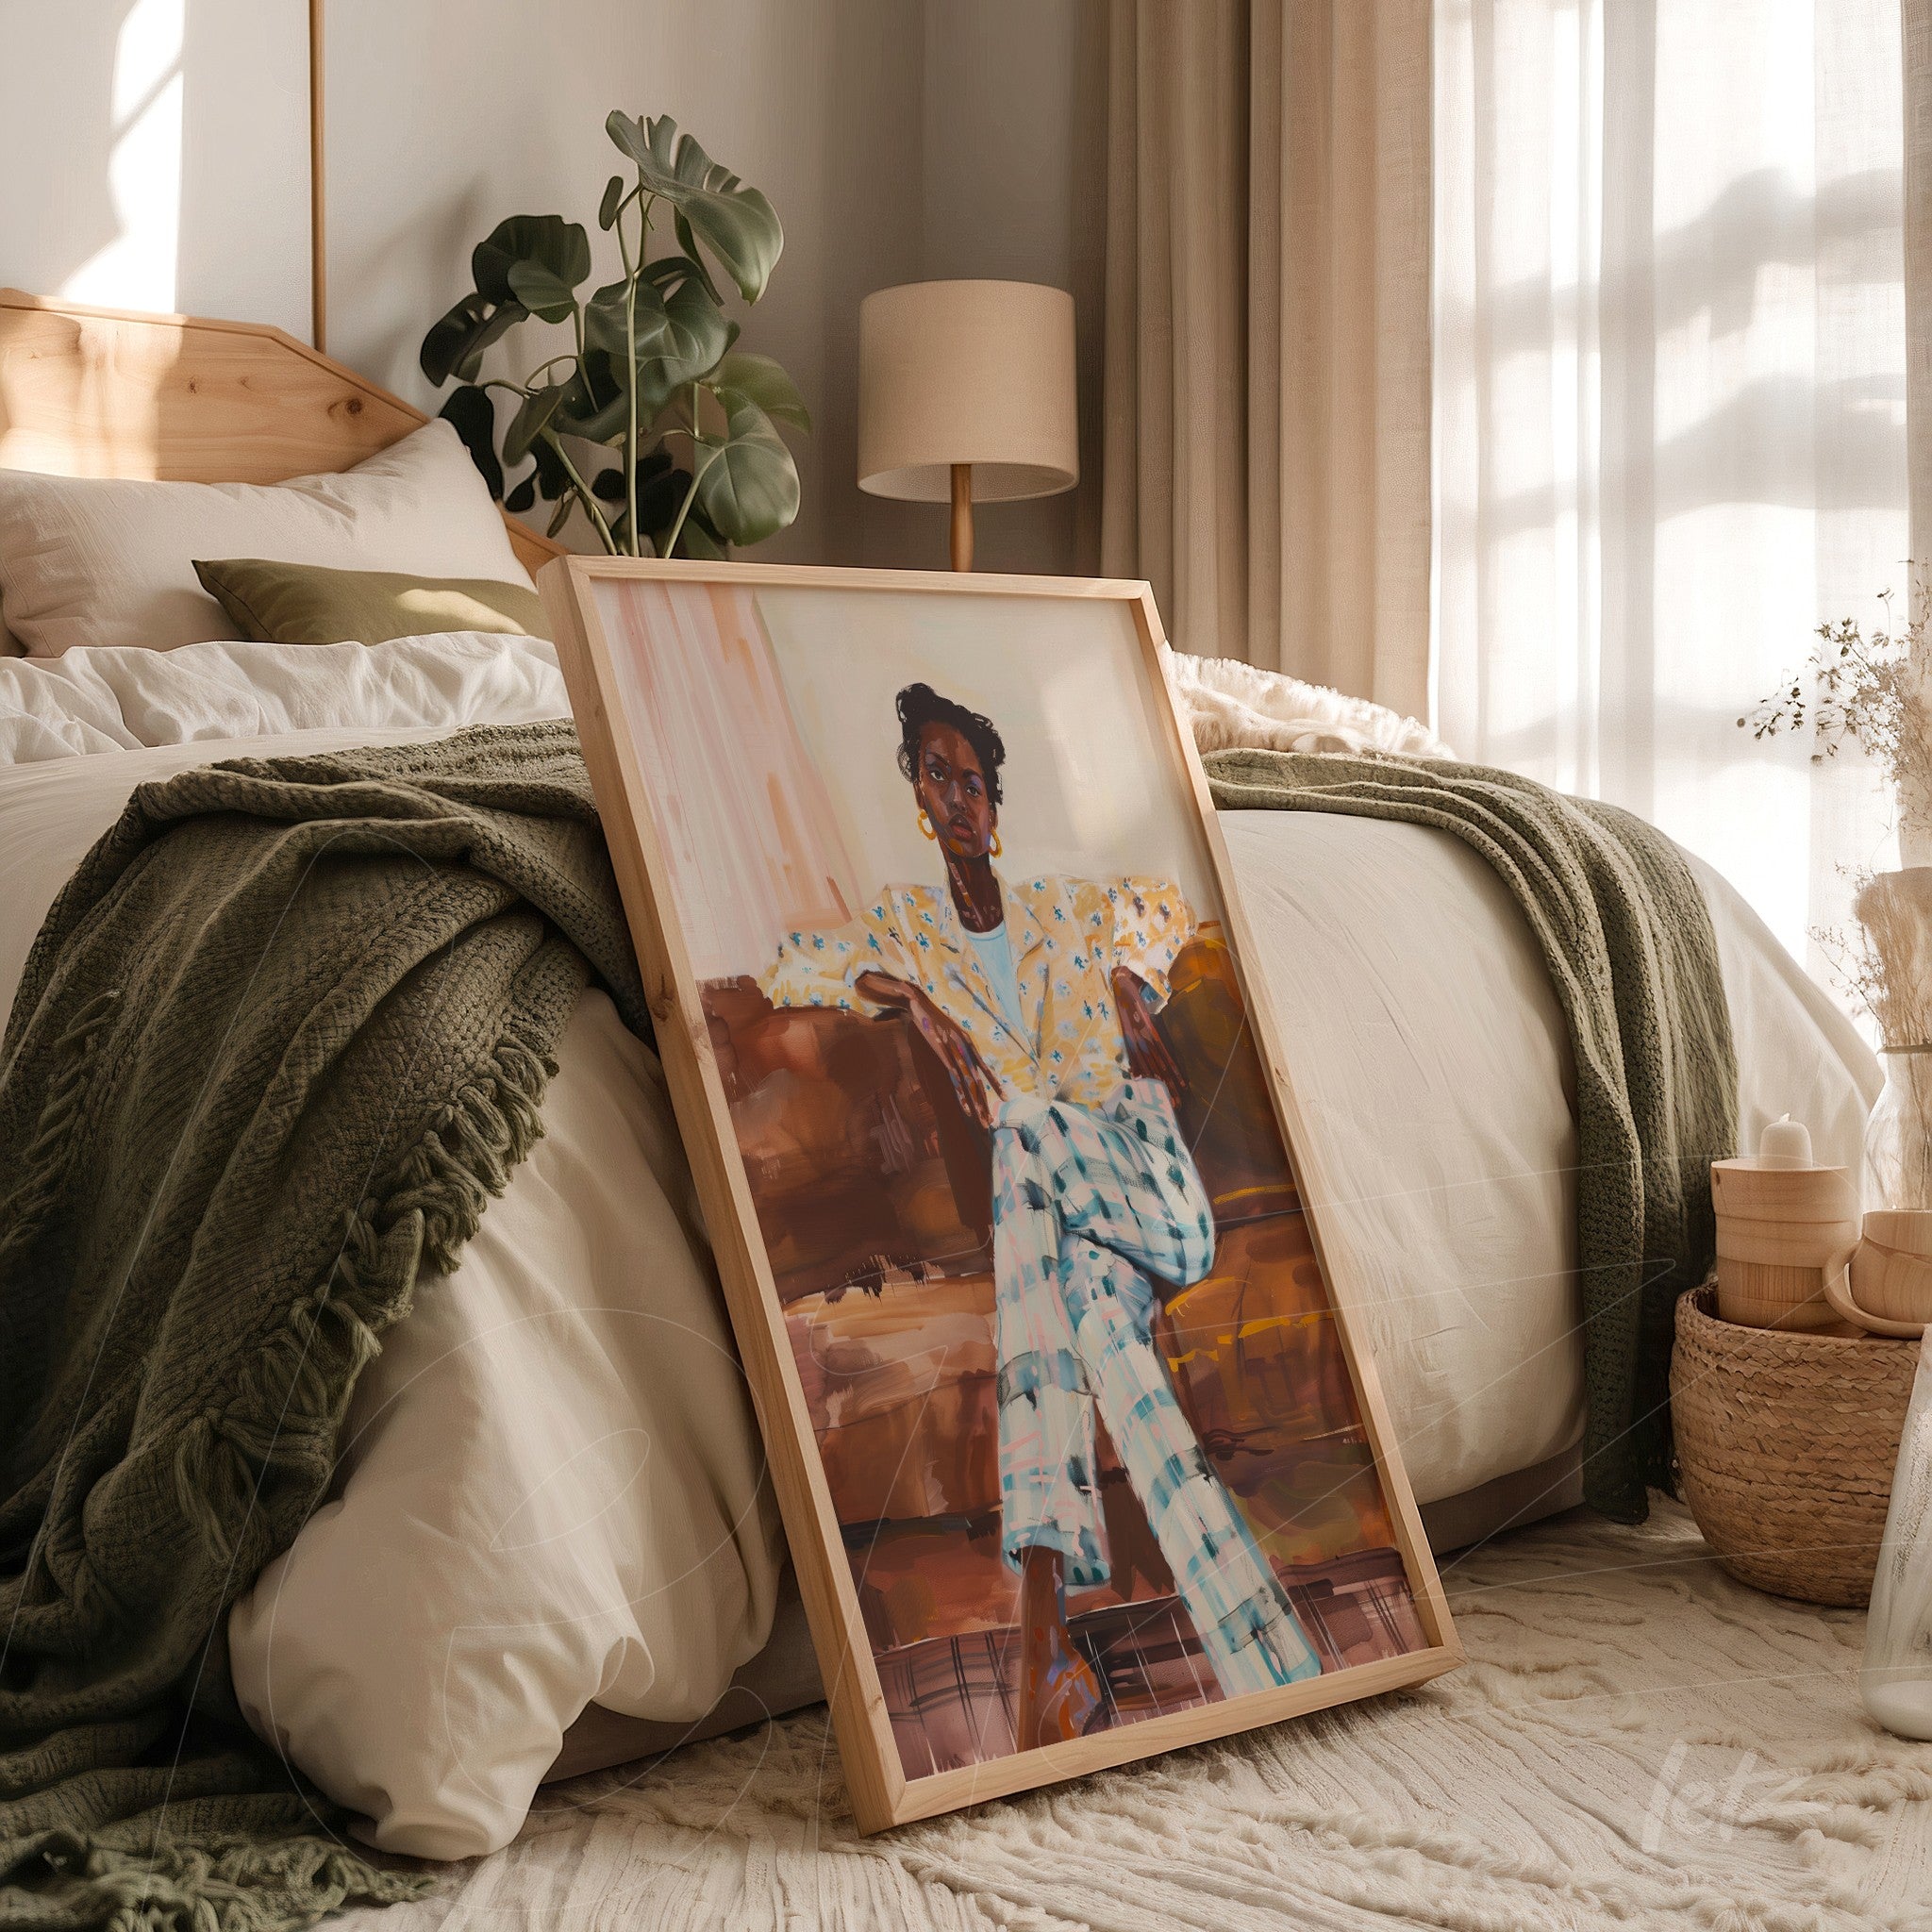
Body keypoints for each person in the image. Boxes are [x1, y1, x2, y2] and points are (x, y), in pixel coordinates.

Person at [760, 682, 1321, 1747]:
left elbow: (1164, 903)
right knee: (1103, 1340)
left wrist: (1126, 977)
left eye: (973, 781)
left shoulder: (1064, 910)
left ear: (994, 804)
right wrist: (911, 997)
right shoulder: (909, 928)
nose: (957, 797)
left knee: (1018, 1126)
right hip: (1072, 1238)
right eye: (938, 777)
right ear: (919, 798)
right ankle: (1253, 1658)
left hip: (1151, 1191)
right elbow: (794, 963)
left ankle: (1039, 1640)